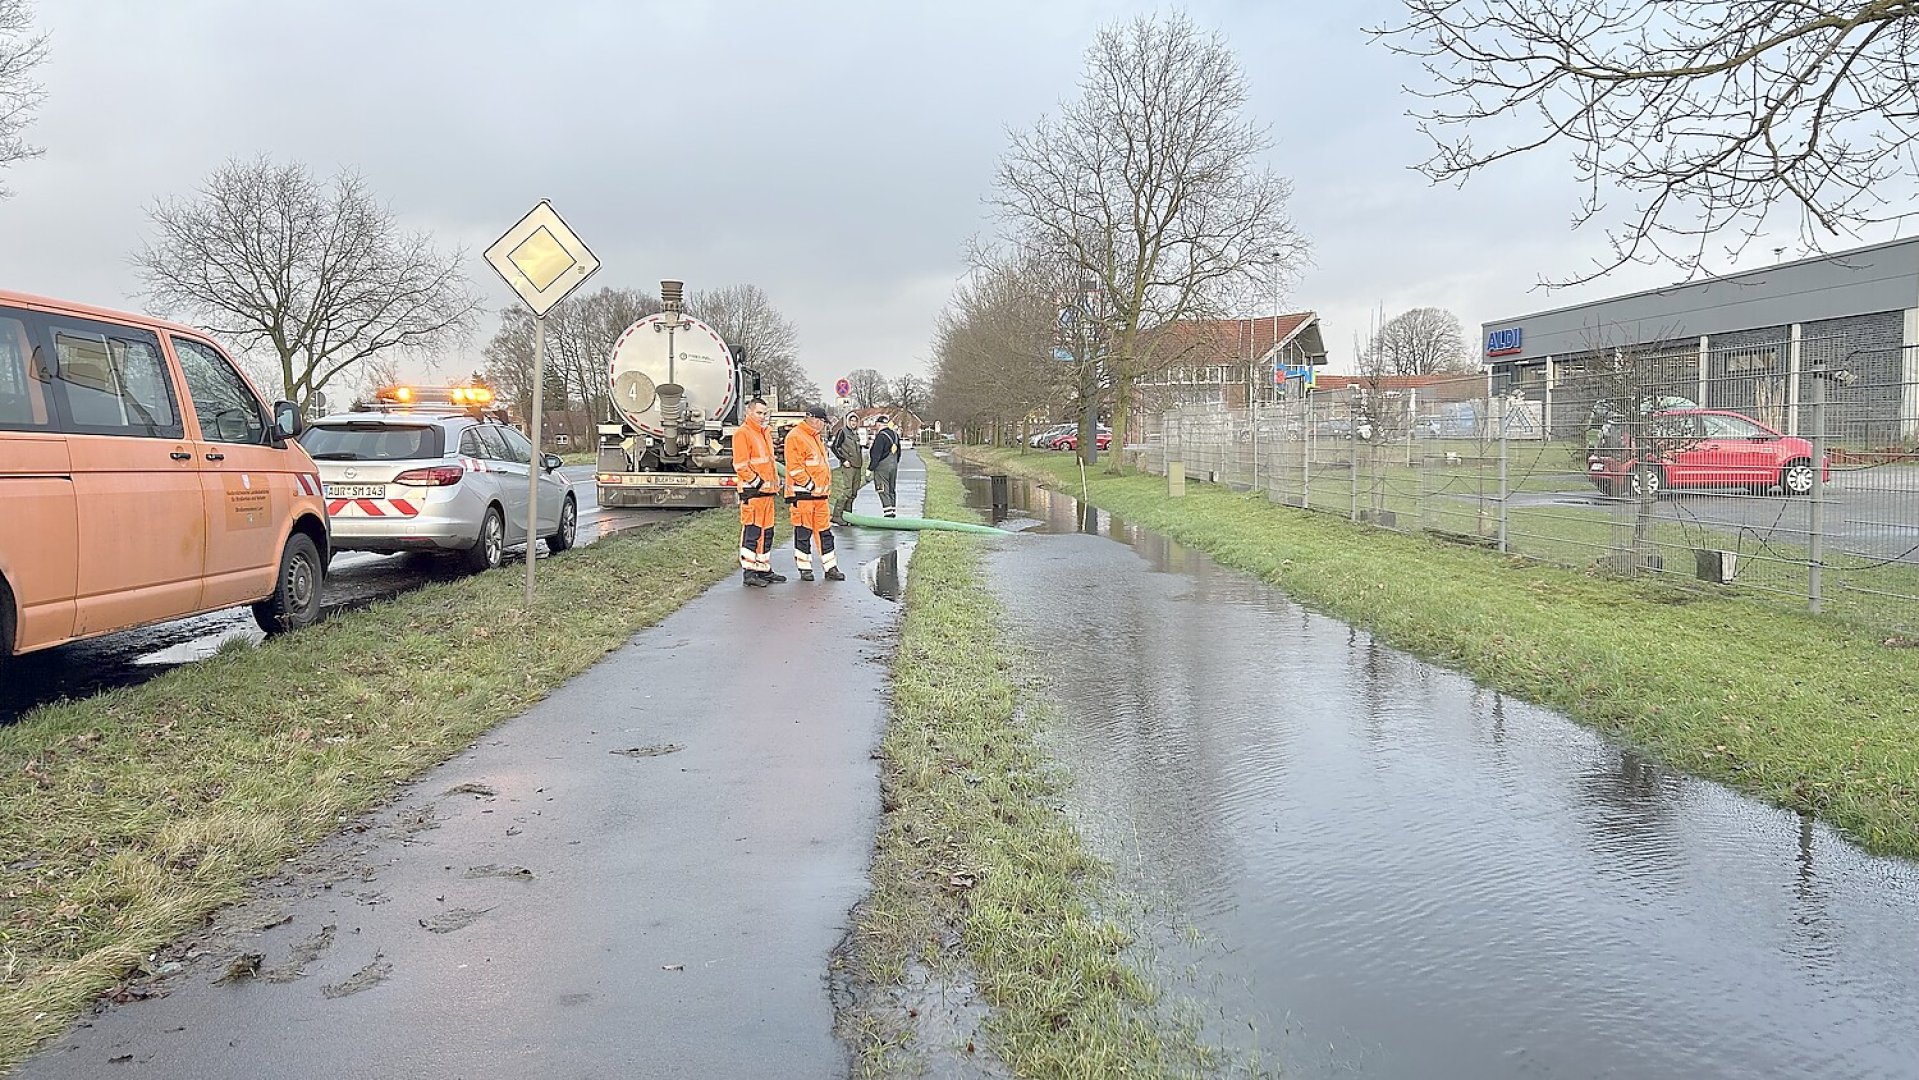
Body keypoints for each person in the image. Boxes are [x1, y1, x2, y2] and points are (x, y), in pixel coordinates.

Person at [784, 404, 845, 581]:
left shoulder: (815, 437)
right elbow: (795, 468)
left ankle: (830, 567)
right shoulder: (795, 437)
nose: (823, 425)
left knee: (825, 532)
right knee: (803, 532)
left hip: (820, 497)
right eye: (821, 421)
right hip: (803, 496)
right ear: (812, 419)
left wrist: (821, 488)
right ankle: (805, 568)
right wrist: (811, 485)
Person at [733, 398, 785, 587]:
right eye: (759, 413)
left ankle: (762, 569)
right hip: (753, 492)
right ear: (749, 412)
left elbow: (770, 463)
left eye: (765, 413)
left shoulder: (765, 433)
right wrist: (759, 483)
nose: (762, 417)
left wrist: (775, 484)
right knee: (752, 532)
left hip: (767, 493)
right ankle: (749, 573)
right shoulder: (743, 433)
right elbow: (740, 465)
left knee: (767, 533)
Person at [828, 412, 865, 525]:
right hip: (848, 465)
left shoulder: (856, 434)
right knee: (847, 491)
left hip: (857, 465)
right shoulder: (842, 432)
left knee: (854, 491)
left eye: (855, 421)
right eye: (851, 421)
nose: (853, 423)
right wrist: (843, 460)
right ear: (848, 421)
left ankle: (848, 516)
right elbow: (834, 447)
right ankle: (837, 515)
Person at [868, 414, 901, 519]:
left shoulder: (881, 436)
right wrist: (895, 463)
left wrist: (870, 468)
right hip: (893, 465)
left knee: (882, 488)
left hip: (882, 466)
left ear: (878, 424)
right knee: (891, 488)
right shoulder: (895, 435)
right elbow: (899, 453)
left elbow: (876, 455)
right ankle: (893, 510)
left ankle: (888, 513)